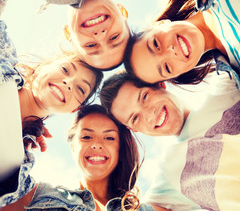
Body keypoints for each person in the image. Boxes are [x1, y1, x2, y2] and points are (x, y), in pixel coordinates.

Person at [100, 71, 240, 210]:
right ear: (134, 129)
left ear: (160, 84)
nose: (149, 115)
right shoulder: (169, 172)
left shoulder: (225, 85)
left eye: (144, 97)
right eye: (135, 118)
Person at [0, 104, 166, 211]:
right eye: (86, 137)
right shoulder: (39, 194)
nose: (96, 144)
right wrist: (20, 130)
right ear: (73, 148)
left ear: (121, 150)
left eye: (109, 138)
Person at [0, 19, 103, 185]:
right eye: (65, 69)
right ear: (42, 66)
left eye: (80, 89)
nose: (69, 83)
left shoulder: (19, 161)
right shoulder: (2, 54)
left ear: (74, 109)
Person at [1, 0, 139, 70]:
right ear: (122, 12)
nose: (101, 36)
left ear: (68, 33)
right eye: (114, 37)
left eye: (91, 46)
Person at [123, 0, 240, 86]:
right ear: (179, 74)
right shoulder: (236, 69)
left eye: (156, 44)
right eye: (167, 68)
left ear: (160, 24)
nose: (170, 51)